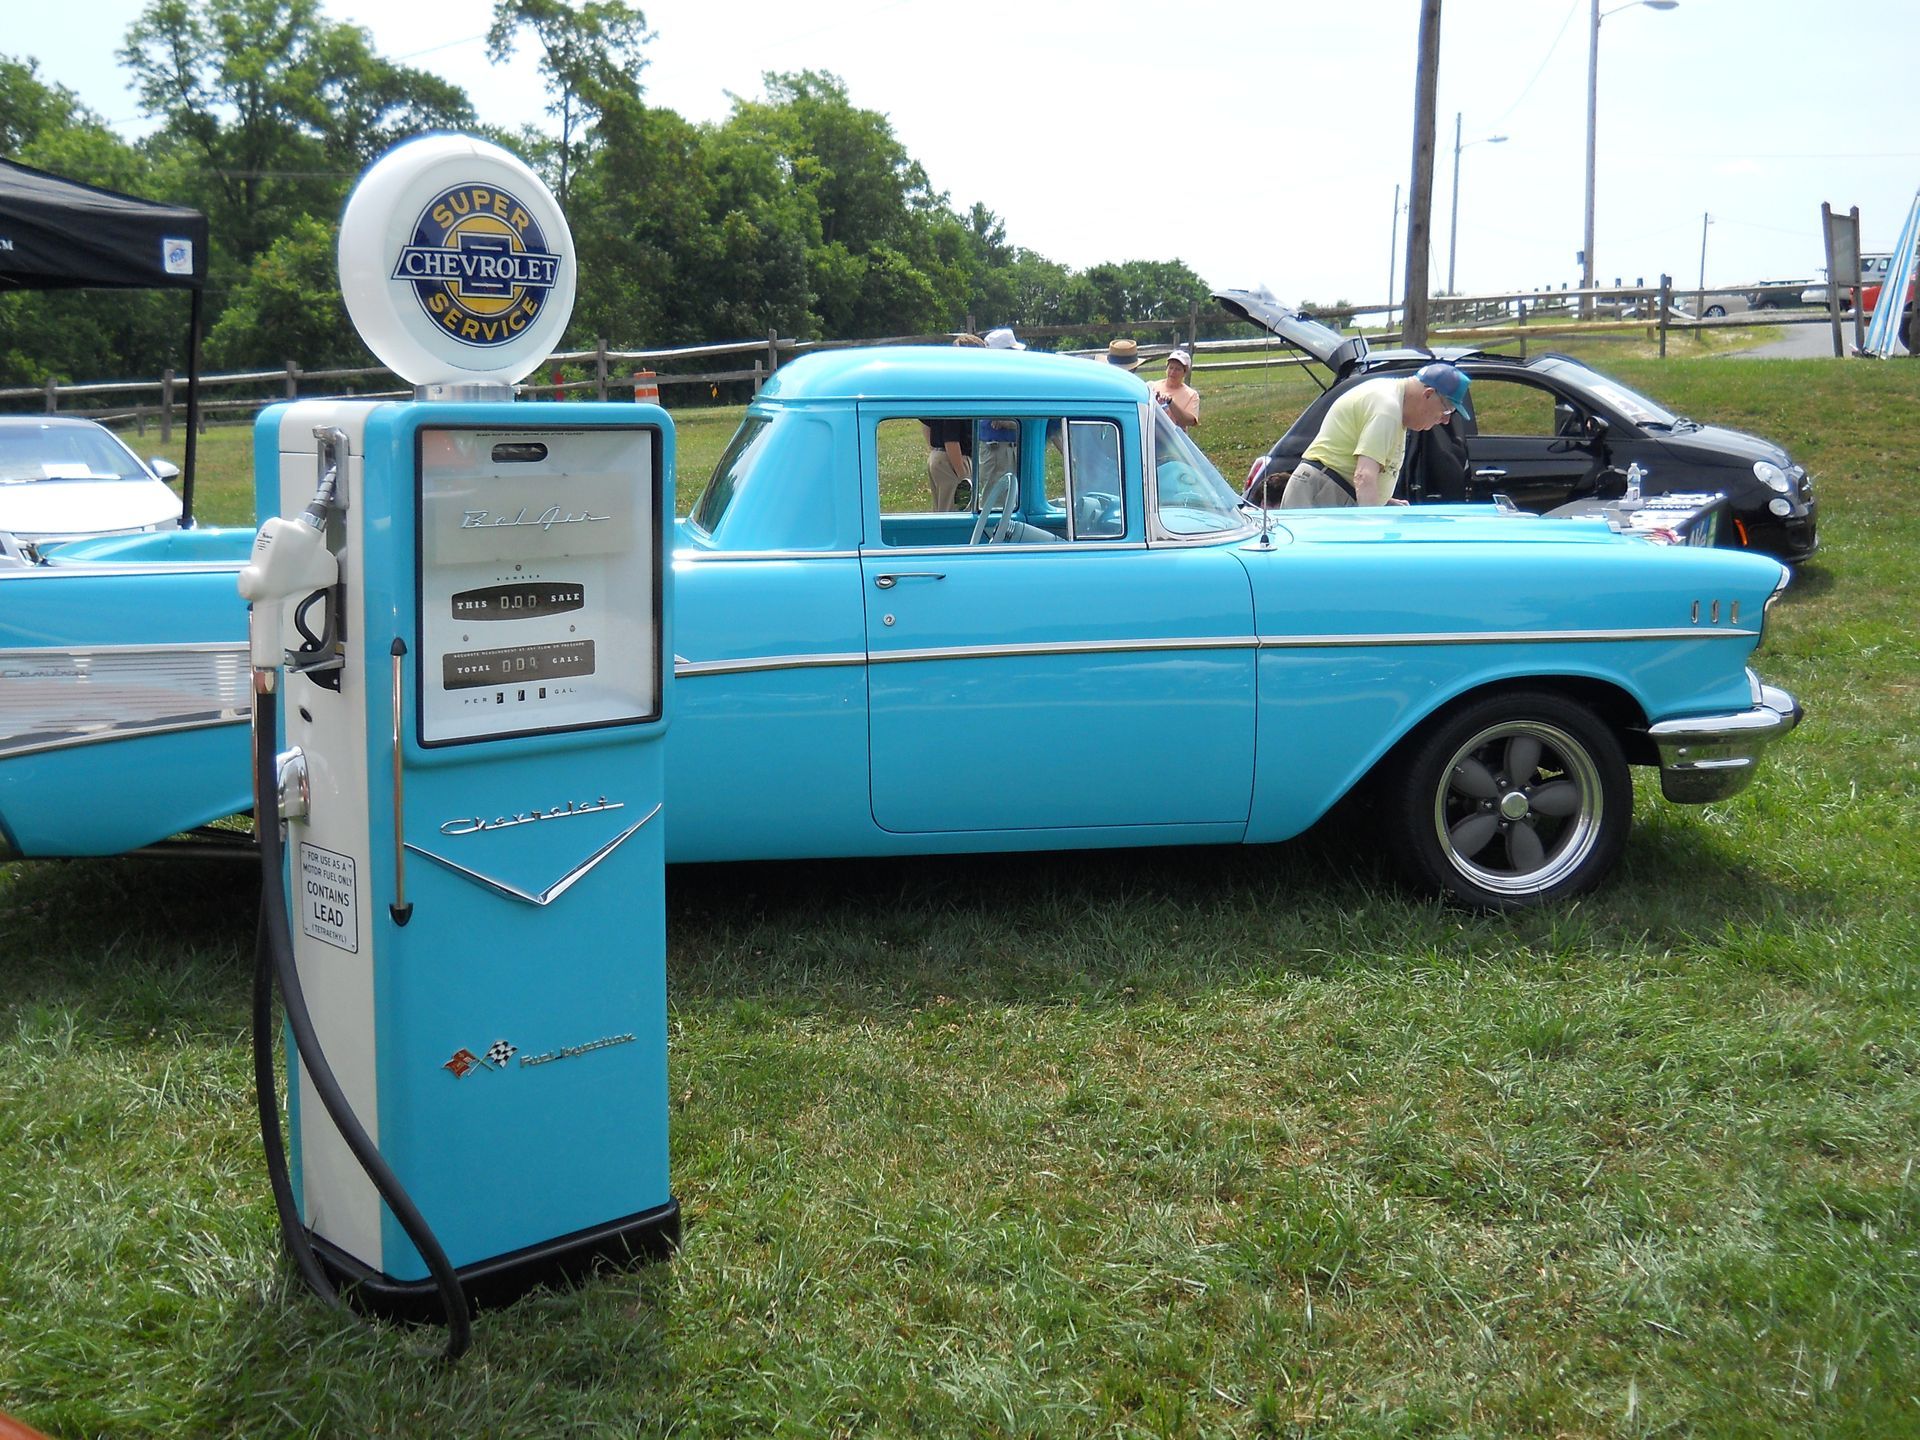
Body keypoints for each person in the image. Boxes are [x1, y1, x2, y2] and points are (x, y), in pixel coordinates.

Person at [1279, 361, 1472, 508]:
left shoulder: (1396, 404)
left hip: (1333, 492)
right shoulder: (1387, 408)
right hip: (1323, 494)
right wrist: (1371, 529)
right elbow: (1364, 476)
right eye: (1447, 410)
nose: (1446, 421)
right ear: (1428, 394)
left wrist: (1384, 502)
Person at [1148, 349, 1200, 431]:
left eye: (1178, 369)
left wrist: (1170, 403)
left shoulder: (1192, 395)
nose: (1173, 372)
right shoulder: (1152, 386)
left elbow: (1190, 421)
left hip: (1175, 439)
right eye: (1171, 367)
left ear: (1185, 372)